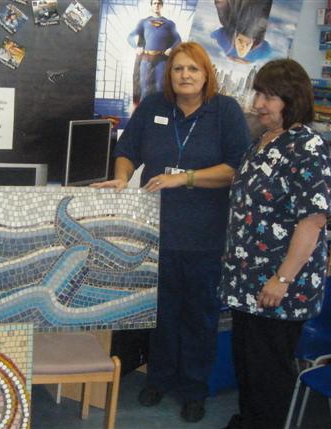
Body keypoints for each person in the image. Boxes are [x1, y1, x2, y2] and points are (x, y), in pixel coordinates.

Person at [93, 41, 250, 423]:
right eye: (178, 69)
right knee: (160, 312)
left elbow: (236, 167)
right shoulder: (153, 107)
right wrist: (121, 177)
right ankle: (158, 379)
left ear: (206, 73)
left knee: (199, 316)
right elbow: (128, 149)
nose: (184, 76)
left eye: (192, 69)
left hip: (204, 235)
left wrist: (186, 179)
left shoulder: (225, 111)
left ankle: (194, 388)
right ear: (169, 74)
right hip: (155, 231)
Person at [218, 59, 331, 429]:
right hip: (246, 278)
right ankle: (247, 419)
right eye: (258, 93)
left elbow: (313, 221)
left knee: (268, 370)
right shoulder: (265, 140)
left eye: (269, 96)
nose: (258, 104)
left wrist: (281, 280)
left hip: (279, 285)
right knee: (247, 361)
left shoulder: (308, 147)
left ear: (292, 98)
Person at [128, 0, 181, 100]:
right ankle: (143, 113)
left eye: (159, 3)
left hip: (161, 59)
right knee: (144, 88)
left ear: (162, 5)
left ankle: (157, 113)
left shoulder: (169, 23)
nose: (157, 5)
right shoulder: (143, 22)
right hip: (146, 59)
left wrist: (171, 48)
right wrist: (136, 47)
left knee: (160, 88)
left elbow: (178, 39)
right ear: (151, 5)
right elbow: (130, 37)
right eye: (154, 3)